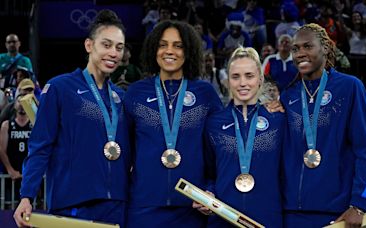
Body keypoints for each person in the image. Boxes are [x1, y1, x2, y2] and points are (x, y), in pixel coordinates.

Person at [13, 9, 131, 227]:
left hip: (116, 205)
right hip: (73, 203)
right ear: (89, 45)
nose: (114, 53)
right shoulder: (60, 88)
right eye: (106, 45)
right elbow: (40, 145)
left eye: (119, 47)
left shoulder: (122, 99)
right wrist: (27, 196)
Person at [123, 20, 223, 227]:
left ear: (189, 51)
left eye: (178, 45)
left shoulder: (205, 93)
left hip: (192, 208)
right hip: (143, 206)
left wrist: (211, 188)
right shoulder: (136, 93)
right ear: (153, 49)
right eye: (163, 44)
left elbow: (220, 150)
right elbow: (124, 149)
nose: (170, 51)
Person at [280, 23, 366, 227]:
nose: (300, 53)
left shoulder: (349, 87)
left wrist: (358, 204)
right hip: (291, 213)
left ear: (325, 48)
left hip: (336, 213)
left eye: (308, 46)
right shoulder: (288, 95)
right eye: (296, 49)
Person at [195, 46, 285, 227]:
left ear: (260, 80)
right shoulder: (213, 122)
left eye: (249, 76)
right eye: (236, 77)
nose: (242, 83)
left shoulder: (278, 120)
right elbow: (209, 173)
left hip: (266, 218)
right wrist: (208, 193)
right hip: (222, 219)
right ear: (227, 81)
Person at [0, 95, 33, 208]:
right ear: (14, 105)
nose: (21, 105)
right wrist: (10, 170)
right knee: (10, 206)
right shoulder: (7, 125)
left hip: (30, 174)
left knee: (35, 205)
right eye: (19, 101)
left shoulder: (34, 125)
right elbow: (1, 149)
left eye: (24, 102)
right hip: (11, 176)